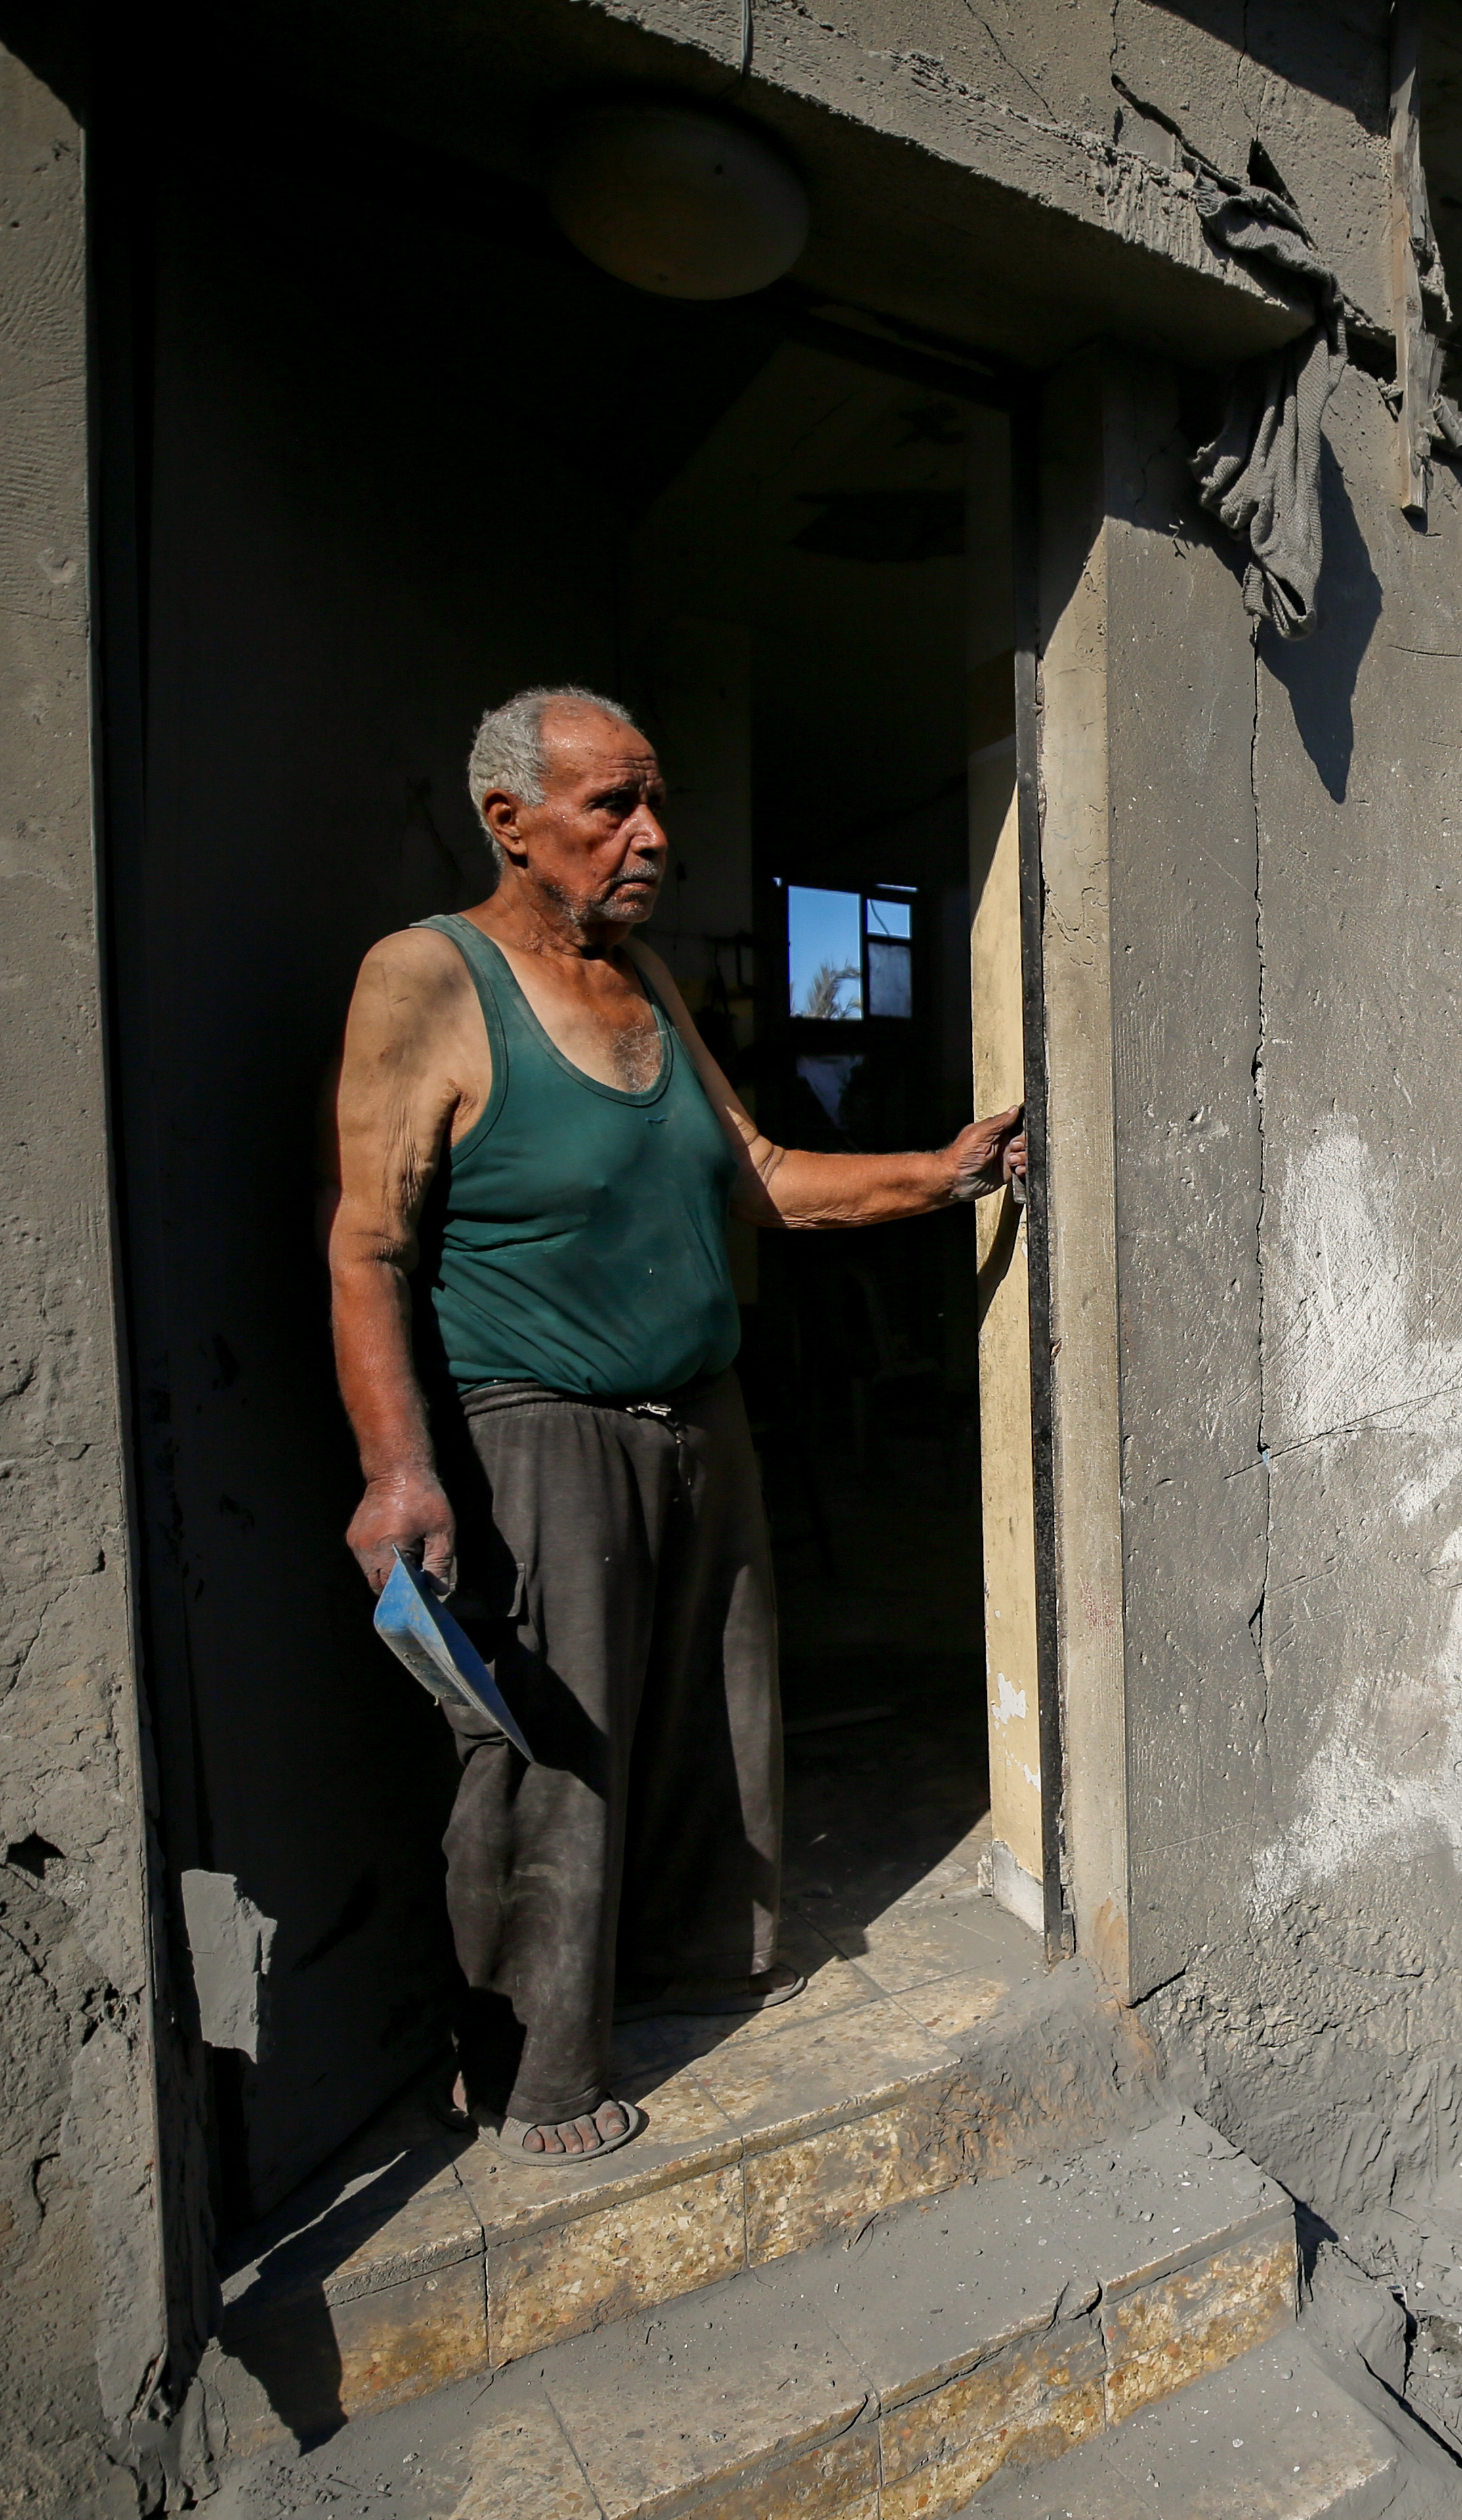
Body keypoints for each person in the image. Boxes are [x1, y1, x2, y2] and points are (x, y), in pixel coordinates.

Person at [327, 684, 1024, 2163]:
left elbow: (756, 1171)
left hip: (697, 1418)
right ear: (511, 821)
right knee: (548, 1759)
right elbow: (369, 1246)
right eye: (613, 806)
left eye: (657, 804)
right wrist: (399, 1472)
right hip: (534, 1429)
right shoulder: (428, 976)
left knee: (711, 1712)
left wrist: (944, 1172)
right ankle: (533, 2077)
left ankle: (689, 1968)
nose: (652, 835)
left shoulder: (641, 978)